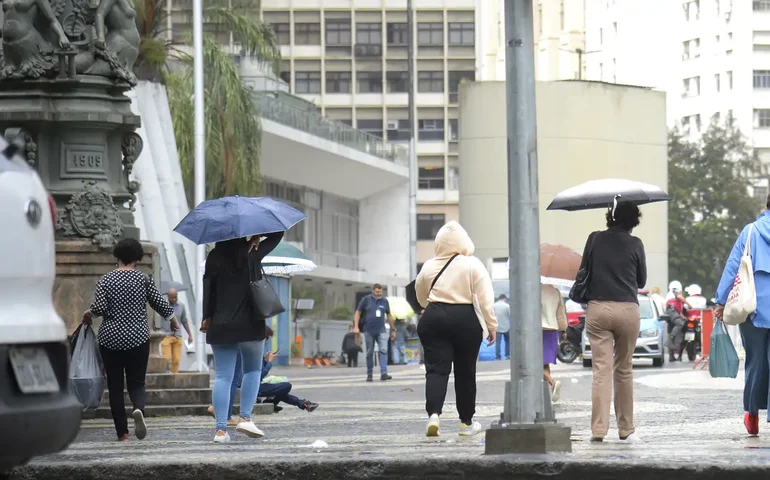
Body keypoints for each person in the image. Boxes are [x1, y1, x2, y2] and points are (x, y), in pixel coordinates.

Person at [82, 238, 177, 441]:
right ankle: (138, 408)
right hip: (137, 337)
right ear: (138, 258)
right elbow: (158, 302)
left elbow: (99, 308)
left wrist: (88, 313)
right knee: (137, 382)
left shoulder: (106, 280)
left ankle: (122, 433)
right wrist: (173, 319)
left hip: (110, 339)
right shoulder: (143, 279)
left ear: (117, 256)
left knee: (115, 386)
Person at [415, 221, 497, 437]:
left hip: (433, 318)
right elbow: (485, 299)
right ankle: (466, 423)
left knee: (436, 370)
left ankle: (434, 415)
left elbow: (421, 295)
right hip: (465, 319)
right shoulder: (473, 264)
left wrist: (433, 307)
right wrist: (491, 325)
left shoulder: (429, 265)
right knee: (465, 371)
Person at [203, 231, 283, 444]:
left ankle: (220, 431)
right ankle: (245, 418)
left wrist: (205, 317)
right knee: (253, 370)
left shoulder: (213, 257)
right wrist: (257, 236)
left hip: (220, 324)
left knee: (222, 376)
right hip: (250, 322)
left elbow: (208, 289)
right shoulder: (253, 252)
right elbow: (278, 233)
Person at [578, 201, 646, 443]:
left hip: (598, 308)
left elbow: (584, 269)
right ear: (633, 221)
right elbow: (641, 281)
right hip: (628, 309)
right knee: (624, 369)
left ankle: (598, 429)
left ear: (610, 216)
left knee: (601, 370)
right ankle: (625, 427)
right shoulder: (636, 243)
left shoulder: (594, 239)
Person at [714, 194, 770, 436]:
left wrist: (720, 300)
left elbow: (733, 265)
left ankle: (752, 414)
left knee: (755, 362)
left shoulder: (750, 232)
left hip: (752, 308)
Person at [353, 284, 396, 382]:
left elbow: (389, 315)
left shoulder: (385, 301)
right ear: (373, 291)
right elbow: (357, 313)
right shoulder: (366, 300)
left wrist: (393, 330)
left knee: (384, 350)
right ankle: (369, 374)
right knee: (369, 353)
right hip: (368, 330)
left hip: (381, 330)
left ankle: (384, 373)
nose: (379, 294)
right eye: (377, 292)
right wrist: (356, 327)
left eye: (380, 292)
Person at [541, 284, 568, 403]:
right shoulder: (555, 291)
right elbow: (560, 313)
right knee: (545, 363)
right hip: (552, 330)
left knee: (533, 363)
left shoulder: (531, 289)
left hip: (536, 329)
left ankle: (553, 382)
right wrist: (563, 329)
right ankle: (548, 393)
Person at [160, 288, 194, 373]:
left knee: (176, 359)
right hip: (166, 335)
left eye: (175, 297)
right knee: (167, 358)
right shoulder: (162, 306)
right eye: (172, 297)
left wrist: (190, 334)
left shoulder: (181, 306)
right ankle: (163, 373)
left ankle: (174, 376)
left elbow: (184, 321)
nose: (174, 299)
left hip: (177, 335)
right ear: (168, 296)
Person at [493, 295, 511, 360]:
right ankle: (507, 355)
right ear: (505, 299)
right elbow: (510, 316)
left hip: (497, 327)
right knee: (508, 341)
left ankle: (498, 357)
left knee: (498, 342)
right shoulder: (507, 306)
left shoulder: (494, 306)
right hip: (506, 327)